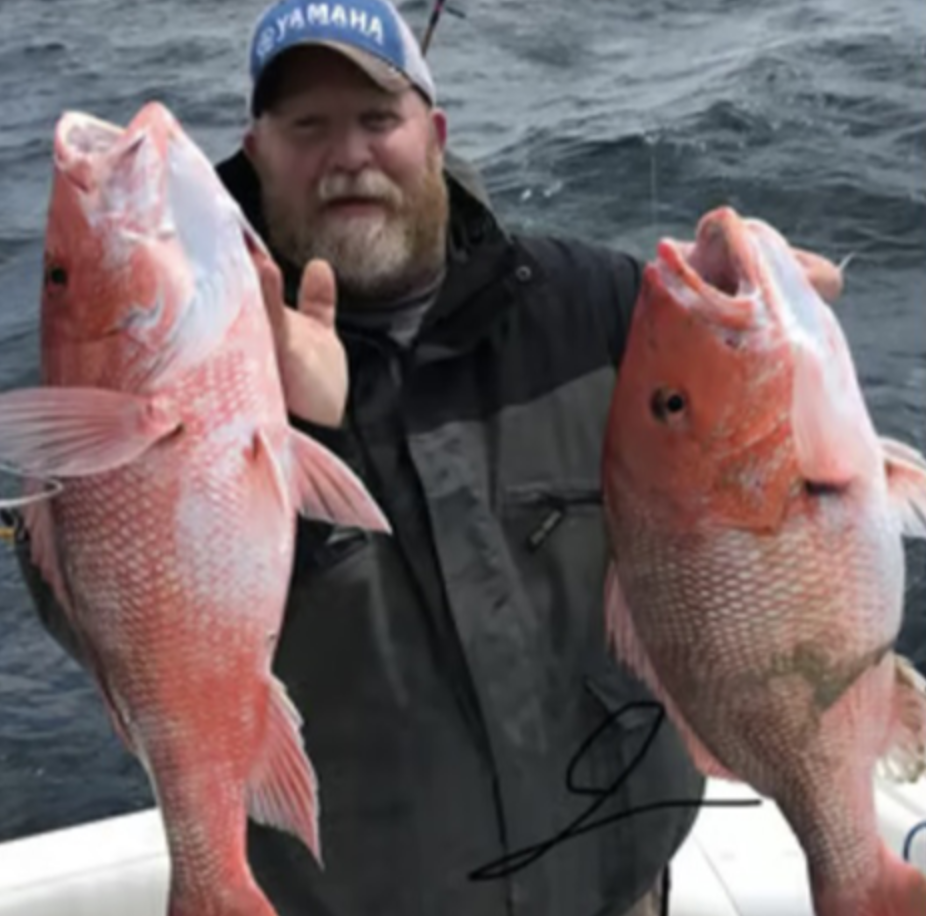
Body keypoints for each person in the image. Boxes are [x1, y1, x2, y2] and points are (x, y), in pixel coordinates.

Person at [14, 0, 844, 914]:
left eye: (379, 119)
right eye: (308, 127)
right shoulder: (209, 367)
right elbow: (104, 602)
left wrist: (769, 336)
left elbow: (764, 519)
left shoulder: (602, 309)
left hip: (624, 892)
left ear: (435, 133)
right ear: (255, 154)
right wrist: (310, 423)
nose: (349, 155)